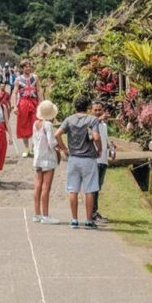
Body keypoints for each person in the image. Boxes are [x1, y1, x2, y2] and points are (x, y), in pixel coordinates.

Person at [55, 96, 102, 230]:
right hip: (88, 158)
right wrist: (100, 148)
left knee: (73, 189)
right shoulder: (92, 120)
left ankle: (74, 220)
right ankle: (88, 220)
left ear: (75, 107)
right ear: (87, 107)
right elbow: (97, 137)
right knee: (89, 190)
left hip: (74, 158)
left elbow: (57, 134)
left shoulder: (69, 120)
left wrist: (64, 149)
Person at [32, 100, 61, 224]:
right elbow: (51, 142)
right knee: (46, 187)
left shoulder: (35, 124)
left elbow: (34, 141)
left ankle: (37, 213)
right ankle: (45, 215)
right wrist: (59, 149)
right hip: (47, 157)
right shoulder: (48, 125)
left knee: (38, 185)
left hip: (38, 156)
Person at [12, 59, 43, 158]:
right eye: (26, 66)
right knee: (23, 125)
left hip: (34, 102)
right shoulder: (18, 79)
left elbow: (39, 91)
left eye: (29, 66)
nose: (28, 68)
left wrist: (41, 104)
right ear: (22, 68)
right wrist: (15, 106)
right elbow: (15, 93)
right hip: (23, 103)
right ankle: (26, 148)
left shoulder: (35, 77)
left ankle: (34, 147)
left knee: (36, 123)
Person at [91, 101, 110, 224]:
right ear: (91, 111)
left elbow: (104, 139)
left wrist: (110, 146)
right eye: (95, 110)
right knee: (94, 188)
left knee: (98, 188)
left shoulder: (103, 125)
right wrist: (100, 119)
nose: (98, 112)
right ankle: (93, 213)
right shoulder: (91, 123)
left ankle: (94, 212)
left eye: (100, 110)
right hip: (95, 160)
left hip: (103, 159)